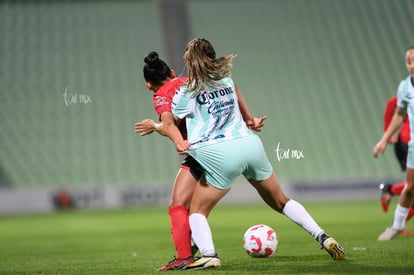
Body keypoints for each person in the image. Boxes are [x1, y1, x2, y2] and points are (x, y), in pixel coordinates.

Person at [166, 38, 345, 270]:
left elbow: (170, 122)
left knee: (197, 211)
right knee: (281, 201)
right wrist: (250, 119)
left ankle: (209, 254)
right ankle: (323, 236)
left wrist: (168, 133)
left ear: (189, 61)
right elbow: (237, 92)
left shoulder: (186, 91)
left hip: (220, 154)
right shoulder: (226, 81)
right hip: (250, 145)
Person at [134, 51, 267, 271]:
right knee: (194, 207)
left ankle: (185, 256)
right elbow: (230, 92)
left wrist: (176, 140)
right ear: (173, 72)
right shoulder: (190, 81)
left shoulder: (161, 95)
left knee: (178, 206)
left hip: (201, 151)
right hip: (226, 146)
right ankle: (194, 243)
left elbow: (170, 123)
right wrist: (248, 119)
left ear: (149, 85)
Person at [373, 46, 414, 241]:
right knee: (411, 187)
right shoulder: (405, 87)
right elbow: (398, 114)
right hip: (412, 145)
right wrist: (384, 139)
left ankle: (390, 193)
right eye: (409, 61)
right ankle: (397, 226)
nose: (412, 65)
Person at [379, 96, 414, 235]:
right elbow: (392, 103)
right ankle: (390, 190)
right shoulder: (408, 88)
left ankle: (399, 225)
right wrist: (388, 131)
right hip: (407, 143)